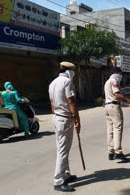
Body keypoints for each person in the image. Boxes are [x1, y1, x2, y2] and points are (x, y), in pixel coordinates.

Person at [49, 61, 80, 192]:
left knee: (63, 148)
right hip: (65, 119)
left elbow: (51, 103)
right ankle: (58, 180)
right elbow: (71, 101)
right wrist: (77, 119)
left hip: (57, 118)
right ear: (69, 71)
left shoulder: (52, 83)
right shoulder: (67, 82)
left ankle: (66, 174)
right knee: (62, 150)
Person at [104, 67, 130, 163]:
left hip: (107, 106)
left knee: (110, 129)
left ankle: (111, 152)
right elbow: (117, 95)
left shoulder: (107, 81)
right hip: (114, 106)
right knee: (117, 128)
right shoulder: (114, 80)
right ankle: (118, 152)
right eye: (120, 74)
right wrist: (129, 101)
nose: (121, 76)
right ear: (117, 73)